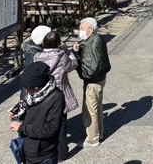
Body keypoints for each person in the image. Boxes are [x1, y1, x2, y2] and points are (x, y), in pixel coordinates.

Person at [34, 31, 78, 162]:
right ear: (58, 43)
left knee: (47, 124)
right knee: (61, 125)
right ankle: (62, 154)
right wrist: (69, 51)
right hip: (59, 95)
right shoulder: (62, 56)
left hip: (44, 96)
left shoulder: (37, 56)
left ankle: (46, 150)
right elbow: (73, 65)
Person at [9, 61, 65, 164]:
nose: (26, 90)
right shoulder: (34, 94)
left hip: (43, 155)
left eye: (28, 88)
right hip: (27, 148)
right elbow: (30, 107)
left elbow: (51, 129)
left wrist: (22, 127)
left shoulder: (57, 98)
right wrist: (18, 111)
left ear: (37, 87)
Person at [74, 17, 111, 148]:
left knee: (90, 111)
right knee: (97, 108)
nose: (80, 31)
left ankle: (92, 138)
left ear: (91, 29)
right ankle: (99, 133)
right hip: (100, 79)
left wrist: (77, 63)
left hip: (93, 82)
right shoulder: (97, 38)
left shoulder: (94, 43)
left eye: (82, 28)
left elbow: (90, 68)